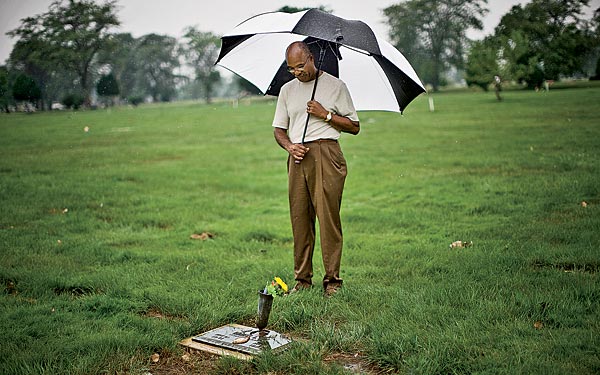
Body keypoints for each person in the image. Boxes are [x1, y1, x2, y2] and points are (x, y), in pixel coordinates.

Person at [272, 41, 360, 296]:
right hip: (298, 158)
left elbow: (355, 126)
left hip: (326, 154)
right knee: (300, 219)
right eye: (291, 69)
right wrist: (289, 146)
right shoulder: (287, 90)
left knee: (328, 219)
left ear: (311, 58)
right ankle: (302, 280)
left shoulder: (336, 86)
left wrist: (326, 115)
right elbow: (279, 129)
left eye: (300, 66)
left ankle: (332, 281)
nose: (297, 72)